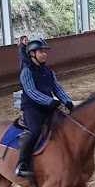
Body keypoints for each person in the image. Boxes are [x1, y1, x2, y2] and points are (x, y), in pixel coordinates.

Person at [15, 37, 73, 177]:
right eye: (41, 51)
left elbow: (57, 88)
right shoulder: (27, 71)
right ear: (32, 53)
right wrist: (49, 101)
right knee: (35, 131)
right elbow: (31, 91)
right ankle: (22, 164)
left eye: (45, 52)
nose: (45, 54)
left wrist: (67, 101)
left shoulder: (48, 72)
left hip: (47, 107)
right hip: (32, 108)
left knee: (65, 124)